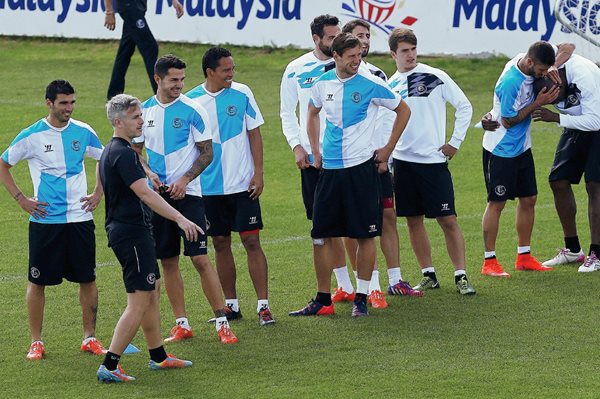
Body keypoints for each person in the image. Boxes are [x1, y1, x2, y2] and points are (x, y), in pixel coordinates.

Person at [289, 33, 411, 317]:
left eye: (360, 55)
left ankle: (361, 297)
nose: (358, 61)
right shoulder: (322, 84)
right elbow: (311, 112)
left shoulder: (371, 84)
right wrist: (315, 151)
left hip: (360, 171)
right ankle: (322, 299)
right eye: (352, 56)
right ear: (337, 57)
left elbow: (403, 110)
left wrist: (388, 147)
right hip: (329, 171)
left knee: (364, 235)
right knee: (320, 236)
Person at [132, 54, 237, 344]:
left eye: (182, 79)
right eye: (173, 80)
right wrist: (150, 174)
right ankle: (182, 323)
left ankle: (222, 322)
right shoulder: (144, 112)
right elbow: (136, 153)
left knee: (201, 259)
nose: (179, 85)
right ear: (158, 79)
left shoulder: (193, 109)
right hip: (159, 198)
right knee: (168, 261)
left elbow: (207, 152)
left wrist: (184, 180)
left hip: (189, 195)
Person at [0, 80, 107, 359]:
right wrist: (21, 199)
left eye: (72, 102)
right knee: (38, 282)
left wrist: (98, 192)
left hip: (80, 219)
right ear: (49, 103)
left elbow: (105, 159)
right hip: (46, 221)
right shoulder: (32, 135)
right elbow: (3, 164)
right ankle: (36, 341)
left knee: (88, 278)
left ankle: (90, 337)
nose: (69, 108)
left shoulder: (84, 132)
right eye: (63, 103)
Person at [97, 94, 197, 383]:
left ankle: (159, 356)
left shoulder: (114, 149)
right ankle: (110, 364)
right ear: (118, 122)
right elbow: (145, 193)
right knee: (140, 300)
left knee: (150, 294)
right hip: (131, 234)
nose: (141, 121)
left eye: (141, 116)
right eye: (135, 117)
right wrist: (179, 217)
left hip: (130, 231)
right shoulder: (124, 154)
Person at [331, 20, 423, 310]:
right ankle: (370, 286)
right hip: (347, 163)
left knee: (387, 216)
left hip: (377, 161)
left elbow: (389, 116)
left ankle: (395, 279)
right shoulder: (332, 79)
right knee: (352, 225)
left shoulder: (376, 75)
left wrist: (385, 153)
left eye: (367, 36)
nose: (365, 41)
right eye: (359, 37)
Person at [186, 47, 275, 326]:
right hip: (209, 188)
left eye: (233, 69)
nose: (231, 74)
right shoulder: (191, 101)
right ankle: (231, 306)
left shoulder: (243, 93)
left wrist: (258, 173)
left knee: (251, 241)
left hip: (242, 184)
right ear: (210, 72)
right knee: (220, 243)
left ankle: (263, 305)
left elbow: (254, 134)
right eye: (226, 70)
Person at [386, 28, 476, 295]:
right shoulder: (390, 85)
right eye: (405, 51)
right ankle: (428, 274)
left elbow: (464, 106)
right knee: (413, 221)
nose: (411, 55)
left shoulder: (435, 76)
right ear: (393, 54)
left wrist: (455, 143)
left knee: (447, 219)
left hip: (434, 163)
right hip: (403, 164)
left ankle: (460, 275)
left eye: (413, 49)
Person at [480, 41, 573, 277]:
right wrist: (537, 104)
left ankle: (524, 256)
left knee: (529, 198)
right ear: (530, 63)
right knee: (497, 203)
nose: (544, 75)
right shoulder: (511, 82)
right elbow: (508, 121)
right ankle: (489, 261)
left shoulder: (528, 58)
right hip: (501, 149)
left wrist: (554, 67)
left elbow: (567, 46)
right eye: (542, 70)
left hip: (522, 147)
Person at [279, 15, 348, 315]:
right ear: (316, 39)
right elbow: (286, 112)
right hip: (312, 161)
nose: (336, 42)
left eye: (339, 36)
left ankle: (366, 289)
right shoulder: (296, 69)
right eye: (331, 38)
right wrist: (297, 146)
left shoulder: (349, 66)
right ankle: (339, 288)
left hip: (346, 159)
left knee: (354, 226)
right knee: (322, 227)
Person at [530, 56, 600, 271]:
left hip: (597, 121)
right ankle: (572, 250)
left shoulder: (584, 77)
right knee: (558, 180)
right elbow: (565, 45)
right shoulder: (547, 66)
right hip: (577, 125)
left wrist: (556, 118)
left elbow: (595, 121)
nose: (555, 103)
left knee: (594, 184)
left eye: (555, 98)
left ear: (561, 82)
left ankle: (596, 254)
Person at [103, 0, 184, 100]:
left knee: (125, 52)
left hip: (137, 7)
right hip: (130, 6)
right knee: (150, 48)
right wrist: (109, 11)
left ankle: (113, 96)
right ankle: (163, 95)